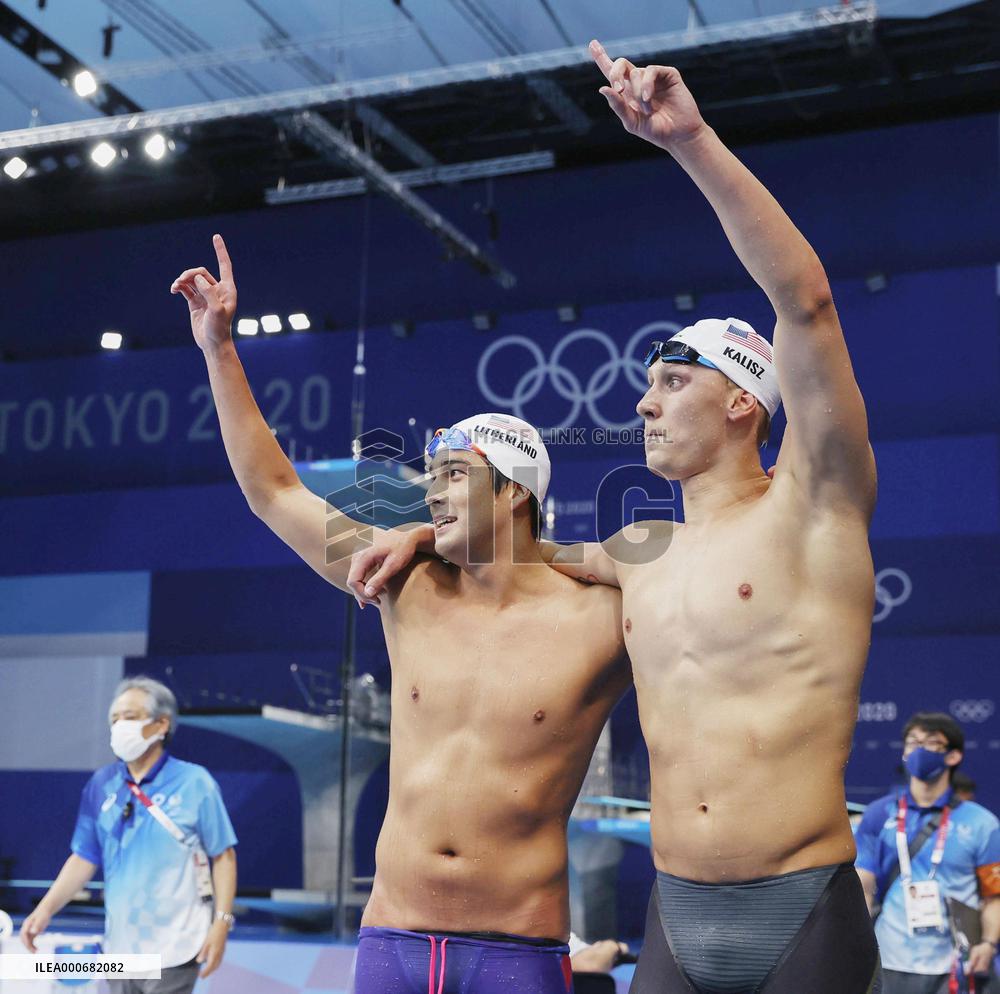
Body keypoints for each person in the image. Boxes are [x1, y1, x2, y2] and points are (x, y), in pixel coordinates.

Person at [349, 39, 882, 994]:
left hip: (802, 908)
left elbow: (804, 302)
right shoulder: (642, 553)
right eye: (646, 384)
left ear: (742, 404)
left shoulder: (815, 505)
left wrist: (690, 143)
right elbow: (523, 551)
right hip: (674, 917)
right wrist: (425, 531)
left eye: (674, 382)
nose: (644, 403)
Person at [169, 239, 632, 993]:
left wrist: (540, 553)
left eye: (454, 476)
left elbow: (709, 574)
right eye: (432, 479)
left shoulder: (601, 617)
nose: (434, 494)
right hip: (391, 942)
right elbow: (274, 493)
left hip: (515, 952)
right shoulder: (404, 584)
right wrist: (219, 348)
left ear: (514, 493)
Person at [20, 677, 238, 994]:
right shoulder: (102, 784)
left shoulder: (194, 782)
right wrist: (44, 910)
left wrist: (221, 923)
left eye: (131, 717)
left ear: (162, 724)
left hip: (176, 943)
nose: (120, 725)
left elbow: (224, 856)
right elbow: (84, 857)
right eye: (115, 719)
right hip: (121, 946)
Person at [855, 712, 1000, 993]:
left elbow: (994, 895)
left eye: (932, 743)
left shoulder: (982, 824)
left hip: (956, 964)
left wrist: (990, 943)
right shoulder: (878, 814)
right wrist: (856, 943)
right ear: (904, 753)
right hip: (889, 959)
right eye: (913, 742)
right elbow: (863, 886)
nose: (920, 749)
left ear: (953, 756)